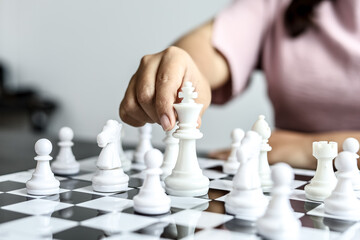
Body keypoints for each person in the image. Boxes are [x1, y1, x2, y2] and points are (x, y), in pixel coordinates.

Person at [119, 0, 360, 170]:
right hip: (288, 188)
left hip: (285, 167)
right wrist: (183, 66)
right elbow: (213, 47)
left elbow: (304, 151)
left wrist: (308, 149)